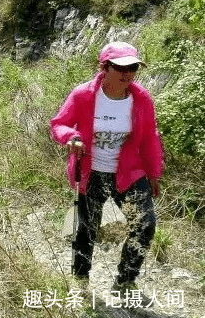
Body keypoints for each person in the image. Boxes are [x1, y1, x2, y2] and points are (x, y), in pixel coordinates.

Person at [50, 41, 164, 292]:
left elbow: (149, 138)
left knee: (145, 225)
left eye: (133, 68)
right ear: (104, 67)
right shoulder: (83, 95)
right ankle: (80, 280)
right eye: (120, 68)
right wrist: (71, 137)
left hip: (129, 173)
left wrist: (154, 172)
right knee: (85, 229)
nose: (128, 74)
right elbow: (59, 124)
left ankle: (125, 282)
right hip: (92, 172)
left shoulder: (141, 98)